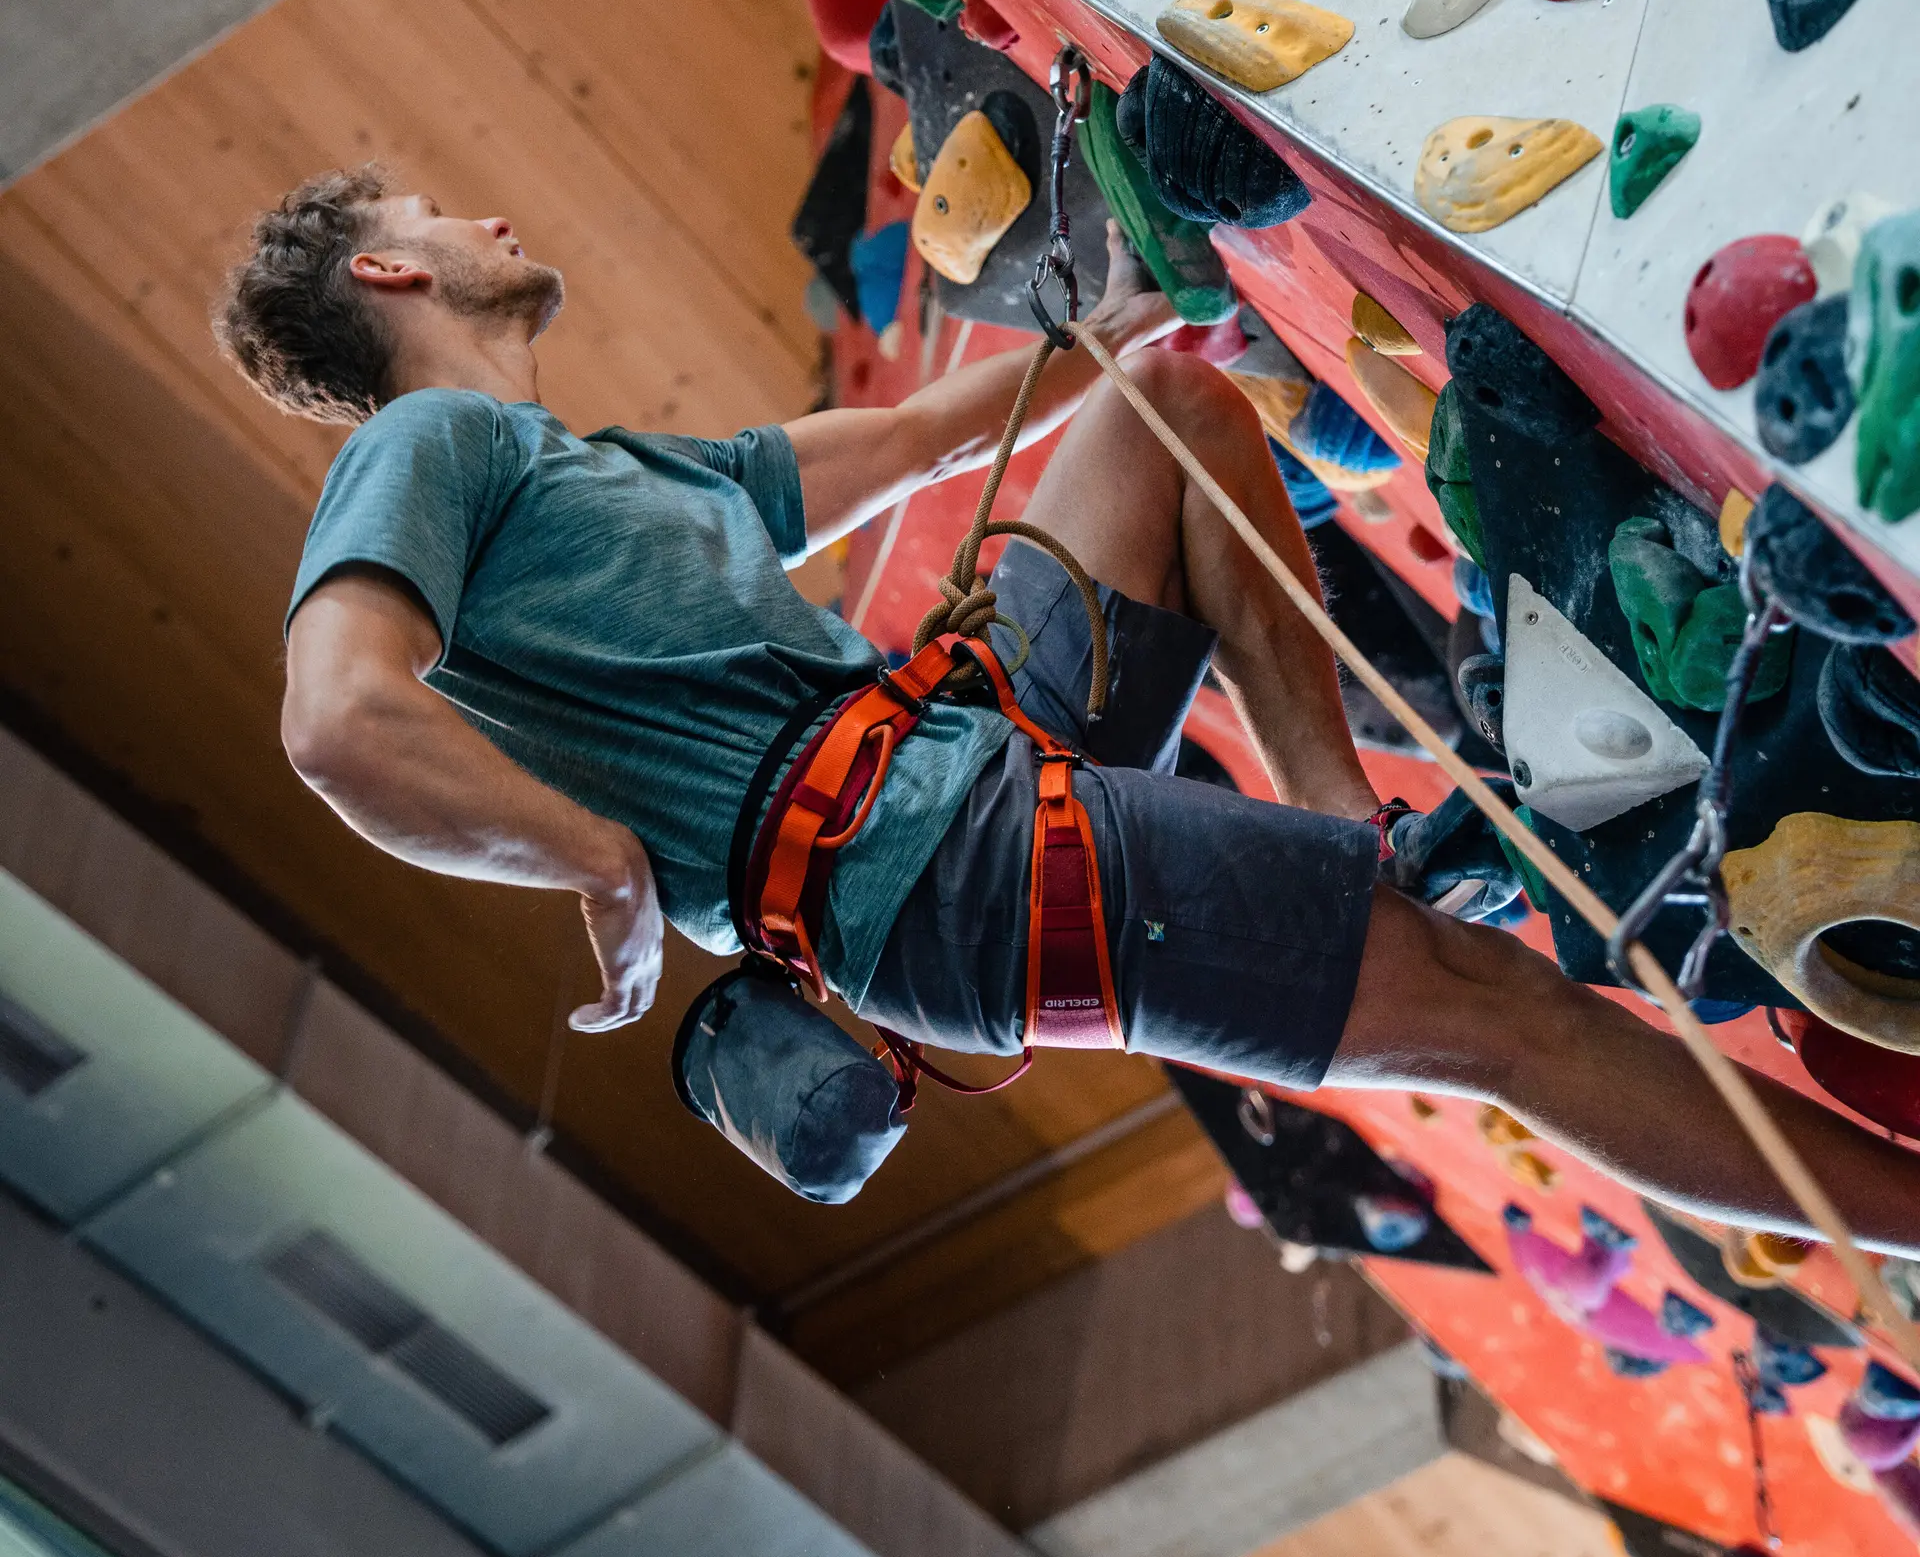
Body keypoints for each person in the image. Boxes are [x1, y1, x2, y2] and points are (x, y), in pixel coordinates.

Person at [218, 167, 1920, 1255]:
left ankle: (1342, 817)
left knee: (1164, 406)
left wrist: (1110, 312)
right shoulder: (428, 444)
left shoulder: (597, 473)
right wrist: (593, 860)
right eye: (440, 213)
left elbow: (917, 443)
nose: (488, 220)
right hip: (929, 867)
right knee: (1496, 1018)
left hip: (955, 763)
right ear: (387, 268)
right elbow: (338, 721)